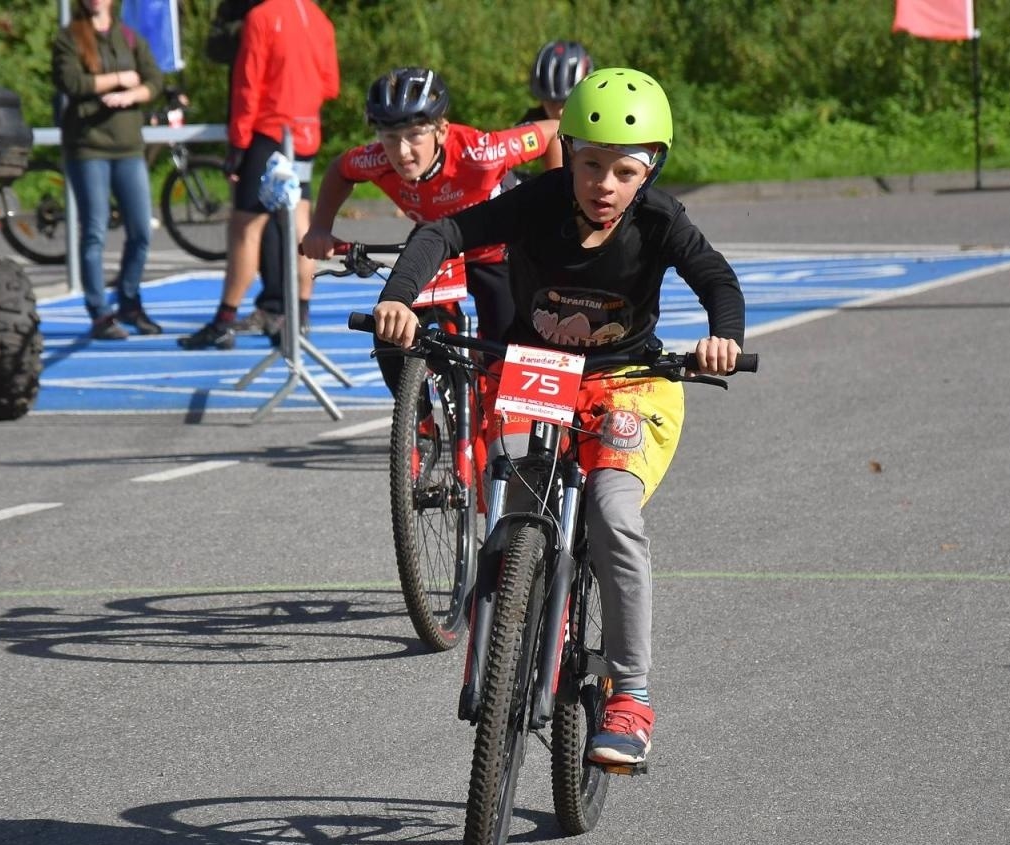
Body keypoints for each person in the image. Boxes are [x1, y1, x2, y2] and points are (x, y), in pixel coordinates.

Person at [371, 68, 745, 767]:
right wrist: (401, 295)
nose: (604, 182)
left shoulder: (662, 220)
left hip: (627, 384)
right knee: (511, 505)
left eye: (624, 171)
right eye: (590, 163)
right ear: (568, 152)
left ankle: (630, 695)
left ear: (650, 171)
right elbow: (443, 231)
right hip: (538, 377)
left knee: (613, 513)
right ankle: (510, 627)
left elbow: (717, 280)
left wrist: (722, 336)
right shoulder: (535, 201)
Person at [301, 67, 557, 381]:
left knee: (504, 353)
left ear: (441, 130)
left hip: (494, 251)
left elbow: (553, 131)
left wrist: (553, 200)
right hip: (434, 248)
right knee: (389, 330)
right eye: (390, 138)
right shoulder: (377, 161)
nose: (402, 151)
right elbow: (341, 170)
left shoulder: (481, 153)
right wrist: (320, 228)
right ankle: (416, 423)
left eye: (414, 135)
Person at [179, 0, 339, 350]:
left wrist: (237, 146)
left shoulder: (261, 17)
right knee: (300, 223)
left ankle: (224, 318)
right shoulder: (318, 18)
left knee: (245, 229)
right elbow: (330, 85)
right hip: (305, 133)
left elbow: (247, 85)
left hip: (268, 134)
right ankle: (300, 315)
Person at [52, 0, 165, 340]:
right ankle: (100, 312)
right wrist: (117, 79)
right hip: (88, 147)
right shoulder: (69, 37)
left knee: (141, 231)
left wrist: (133, 94)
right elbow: (71, 82)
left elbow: (154, 79)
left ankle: (129, 300)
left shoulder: (128, 36)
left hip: (128, 146)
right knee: (95, 231)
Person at [521, 40, 593, 170]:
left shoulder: (603, 126)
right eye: (552, 102)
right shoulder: (534, 121)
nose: (560, 111)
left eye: (567, 101)